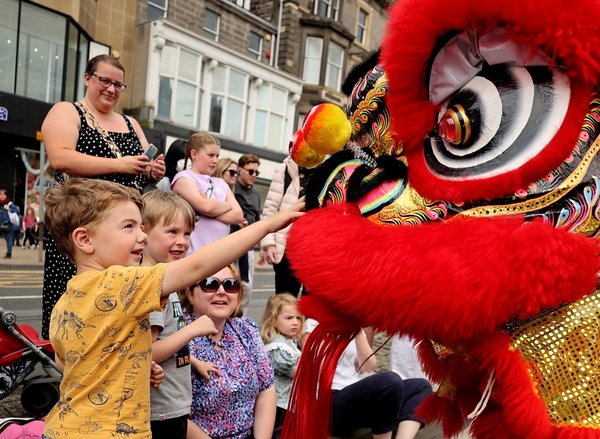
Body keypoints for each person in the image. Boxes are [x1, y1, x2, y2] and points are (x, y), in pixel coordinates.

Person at [42, 178, 303, 438]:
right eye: (129, 227)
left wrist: (137, 363)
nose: (142, 236)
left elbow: (66, 362)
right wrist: (268, 225)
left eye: (141, 227)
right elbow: (197, 266)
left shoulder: (66, 302)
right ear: (85, 239)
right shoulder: (120, 283)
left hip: (64, 427)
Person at [40, 53, 166, 339]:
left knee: (123, 302)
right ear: (88, 78)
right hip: (84, 222)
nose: (111, 89)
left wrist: (153, 170)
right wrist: (119, 165)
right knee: (79, 305)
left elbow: (144, 165)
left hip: (125, 229)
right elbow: (60, 157)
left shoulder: (131, 123)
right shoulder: (68, 111)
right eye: (104, 80)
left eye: (118, 85)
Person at [142, 191, 214, 439]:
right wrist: (191, 330)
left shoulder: (165, 278)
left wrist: (193, 362)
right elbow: (147, 351)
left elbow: (167, 338)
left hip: (171, 405)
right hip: (159, 410)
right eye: (172, 232)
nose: (182, 241)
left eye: (186, 233)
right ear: (144, 232)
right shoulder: (151, 285)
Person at [181, 264, 276, 439]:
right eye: (210, 284)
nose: (222, 291)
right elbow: (173, 414)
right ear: (190, 294)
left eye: (230, 285)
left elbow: (266, 388)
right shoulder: (179, 336)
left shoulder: (246, 329)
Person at [301, 320, 432, 439]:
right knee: (391, 381)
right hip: (331, 399)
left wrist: (357, 333)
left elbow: (368, 366)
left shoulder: (355, 327)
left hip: (357, 393)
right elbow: (315, 368)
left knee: (421, 386)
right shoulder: (313, 324)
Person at [171, 132, 243, 254]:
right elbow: (206, 207)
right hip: (192, 254)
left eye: (217, 156)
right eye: (210, 155)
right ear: (194, 154)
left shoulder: (220, 182)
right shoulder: (183, 178)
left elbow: (238, 215)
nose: (215, 160)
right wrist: (226, 205)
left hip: (219, 255)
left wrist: (210, 209)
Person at [260, 294, 304, 437]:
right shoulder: (277, 348)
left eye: (298, 318)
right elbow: (298, 372)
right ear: (273, 321)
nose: (295, 322)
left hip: (289, 405)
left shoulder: (290, 343)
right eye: (289, 318)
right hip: (280, 406)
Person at [260, 156, 302, 296]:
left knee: (313, 306)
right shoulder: (285, 169)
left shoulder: (328, 169)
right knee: (285, 299)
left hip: (314, 247)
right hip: (286, 247)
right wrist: (269, 243)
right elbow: (270, 210)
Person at [234, 154, 262, 313]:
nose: (253, 176)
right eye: (250, 171)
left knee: (247, 286)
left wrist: (263, 247)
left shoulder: (256, 194)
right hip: (231, 243)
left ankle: (239, 319)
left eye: (256, 173)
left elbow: (258, 220)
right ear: (240, 169)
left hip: (249, 245)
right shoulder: (232, 187)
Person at [0, 189, 13, 259]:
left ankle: (9, 253)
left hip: (6, 225)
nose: (2, 196)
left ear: (6, 195)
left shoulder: (9, 203)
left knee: (8, 240)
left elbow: (16, 210)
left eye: (3, 194)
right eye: (1, 194)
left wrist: (9, 209)